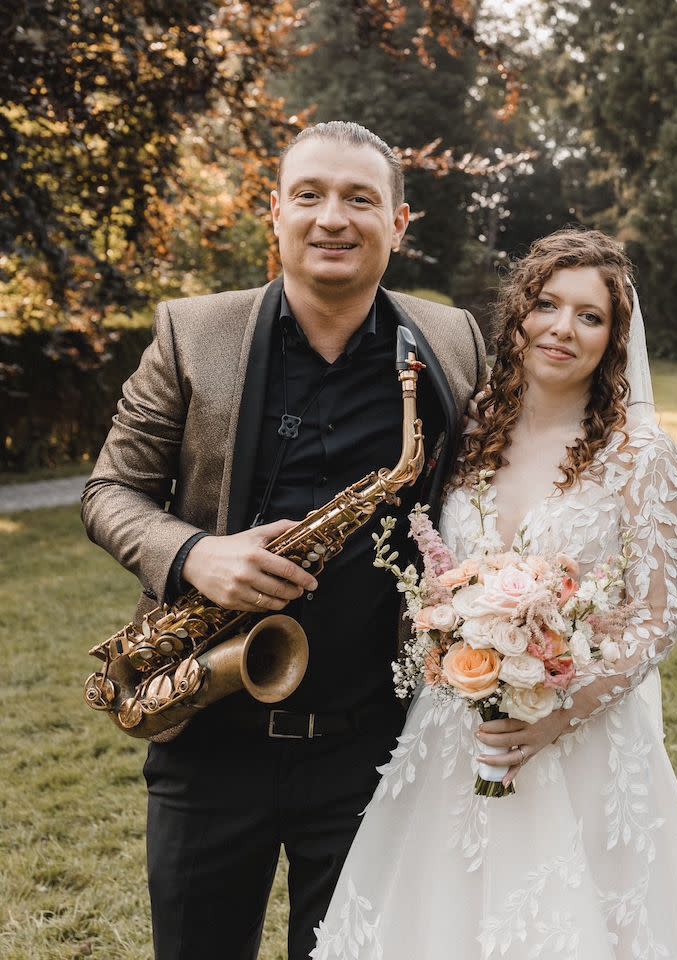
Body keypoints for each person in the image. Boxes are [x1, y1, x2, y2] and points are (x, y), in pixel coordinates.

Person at [82, 121, 487, 960]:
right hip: (208, 729)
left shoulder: (452, 342)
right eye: (309, 195)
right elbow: (109, 490)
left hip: (373, 745)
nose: (332, 218)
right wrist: (195, 555)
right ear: (276, 213)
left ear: (399, 224)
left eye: (359, 199)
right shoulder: (192, 334)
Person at [311, 229, 677, 960]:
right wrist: (450, 636)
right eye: (547, 305)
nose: (563, 328)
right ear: (518, 315)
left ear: (614, 339)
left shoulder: (640, 457)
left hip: (580, 742)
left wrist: (555, 714)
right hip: (453, 735)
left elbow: (656, 620)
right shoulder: (470, 429)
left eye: (590, 316)